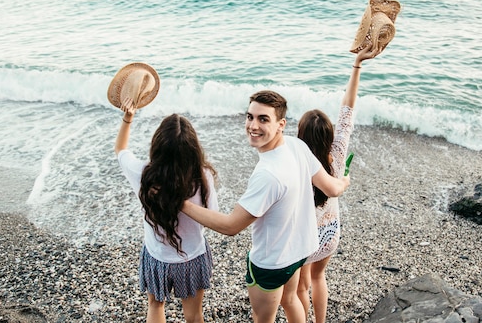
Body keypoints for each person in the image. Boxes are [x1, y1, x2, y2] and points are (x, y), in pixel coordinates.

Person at [182, 90, 350, 323]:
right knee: (290, 300)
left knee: (262, 317)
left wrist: (181, 205)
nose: (253, 125)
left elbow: (231, 226)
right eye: (250, 116)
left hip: (272, 262)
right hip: (300, 250)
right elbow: (331, 189)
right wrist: (343, 182)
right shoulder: (297, 146)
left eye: (263, 119)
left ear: (281, 124)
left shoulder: (268, 175)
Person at [115, 97, 218, 323]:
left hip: (158, 256)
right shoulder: (202, 177)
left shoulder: (144, 174)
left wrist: (128, 118)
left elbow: (121, 149)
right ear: (193, 150)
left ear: (157, 147)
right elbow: (212, 215)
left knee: (155, 305)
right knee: (194, 315)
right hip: (192, 256)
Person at [295, 46, 376, 323]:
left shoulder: (299, 162)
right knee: (320, 278)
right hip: (330, 232)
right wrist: (357, 65)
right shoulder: (338, 152)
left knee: (302, 285)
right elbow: (348, 110)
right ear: (329, 134)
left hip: (306, 236)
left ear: (300, 136)